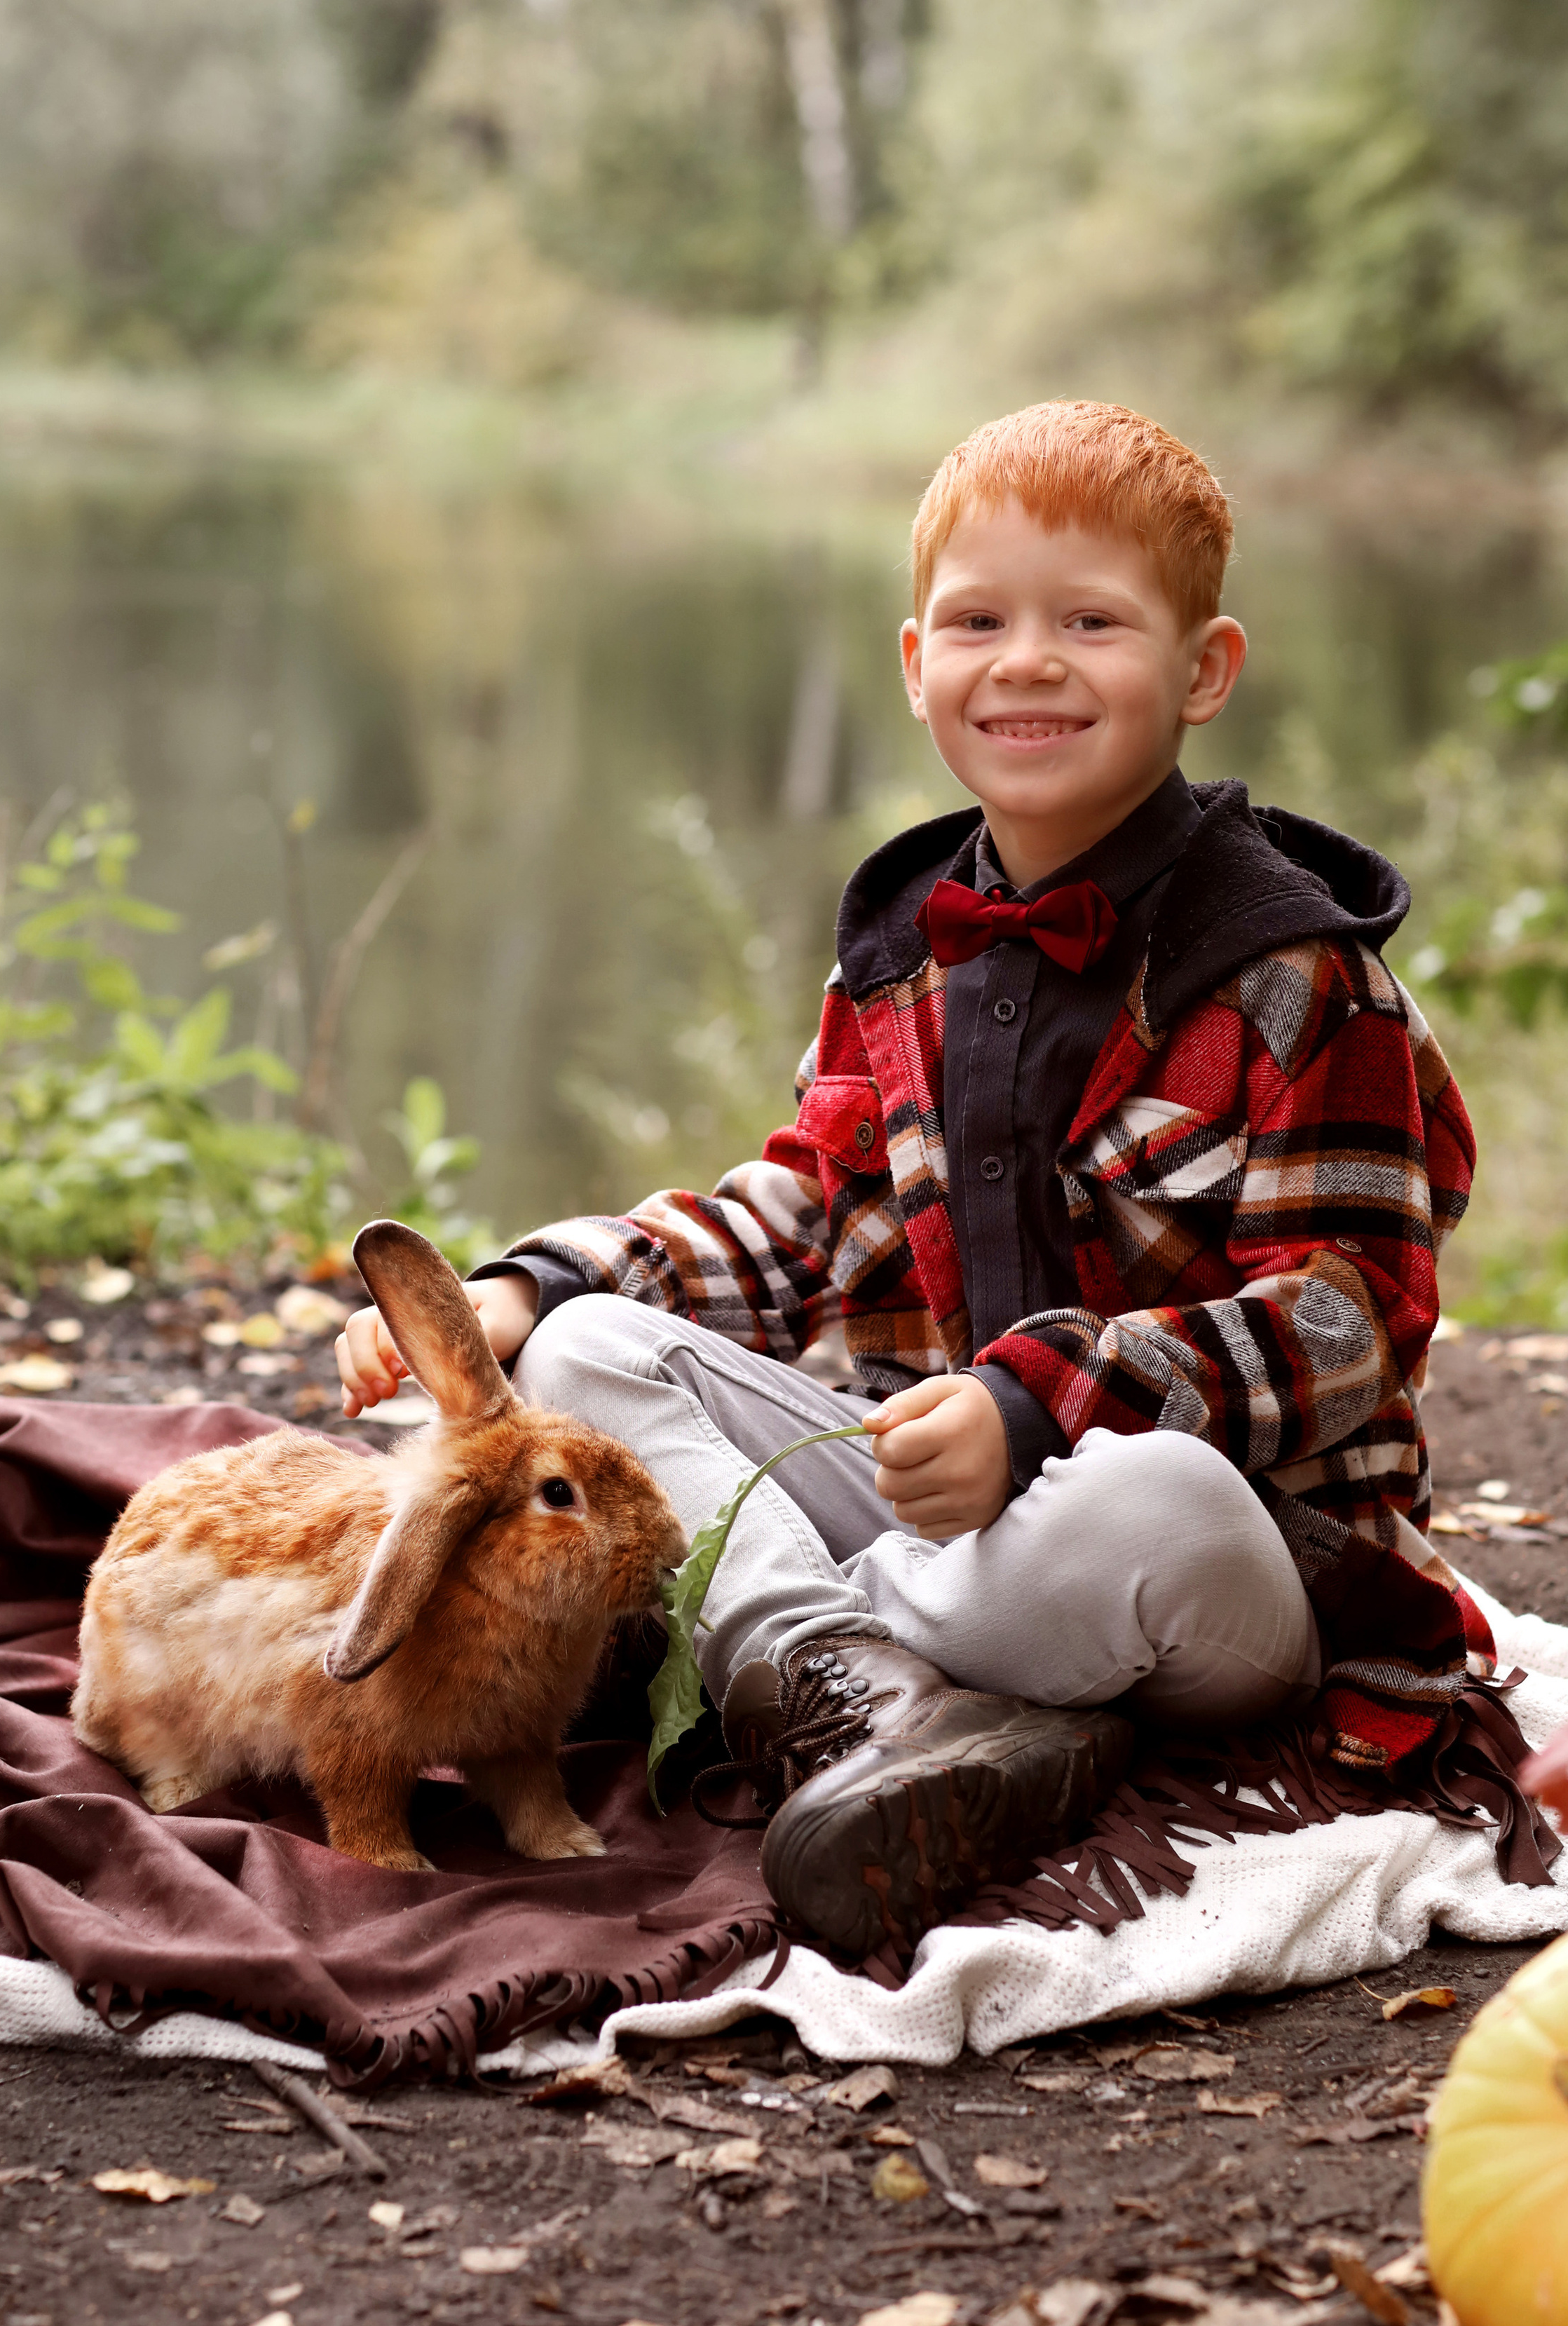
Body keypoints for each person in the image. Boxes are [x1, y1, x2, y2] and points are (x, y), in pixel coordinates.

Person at [336, 400, 1482, 1960]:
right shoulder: (899, 956)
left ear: (1202, 669)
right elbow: (798, 1211)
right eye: (978, 621)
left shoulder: (1289, 975)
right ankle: (868, 1690)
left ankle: (777, 1631)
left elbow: (1348, 1321)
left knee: (1141, 1501)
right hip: (942, 1525)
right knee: (590, 1354)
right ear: (912, 662)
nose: (1025, 661)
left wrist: (1039, 1402)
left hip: (1227, 1554)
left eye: (1091, 621)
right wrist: (523, 1287)